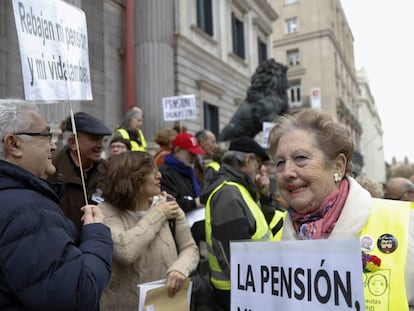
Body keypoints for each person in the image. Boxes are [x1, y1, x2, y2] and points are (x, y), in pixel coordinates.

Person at [268, 108, 414, 310]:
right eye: (280, 163)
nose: (288, 172)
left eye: (301, 158)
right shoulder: (272, 242)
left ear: (338, 166)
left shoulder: (403, 224)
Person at [0, 100, 113, 310]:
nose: (53, 145)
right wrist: (96, 234)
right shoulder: (28, 213)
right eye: (45, 136)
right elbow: (78, 295)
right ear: (13, 144)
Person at [98, 151, 199, 310]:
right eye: (153, 172)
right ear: (133, 178)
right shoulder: (104, 212)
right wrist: (158, 214)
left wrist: (180, 269)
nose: (159, 176)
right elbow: (125, 251)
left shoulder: (168, 205)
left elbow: (190, 248)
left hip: (166, 303)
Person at [203, 136, 285, 310]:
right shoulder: (228, 194)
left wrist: (263, 196)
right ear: (248, 160)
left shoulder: (240, 189)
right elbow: (234, 258)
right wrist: (254, 295)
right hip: (238, 293)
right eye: (260, 163)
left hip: (249, 288)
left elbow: (263, 224)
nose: (261, 170)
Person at [48, 112, 112, 231]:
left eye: (102, 141)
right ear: (73, 143)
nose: (100, 146)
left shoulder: (107, 170)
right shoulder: (51, 170)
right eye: (94, 140)